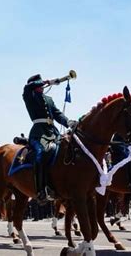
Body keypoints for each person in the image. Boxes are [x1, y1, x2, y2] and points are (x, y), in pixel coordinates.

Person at [22, 74, 77, 203]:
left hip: (53, 131)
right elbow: (27, 87)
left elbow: (57, 114)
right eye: (39, 84)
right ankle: (41, 190)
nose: (41, 87)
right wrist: (47, 81)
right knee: (41, 153)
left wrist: (68, 122)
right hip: (39, 132)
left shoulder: (49, 99)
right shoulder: (29, 96)